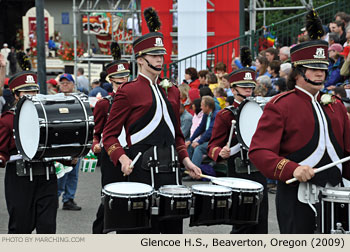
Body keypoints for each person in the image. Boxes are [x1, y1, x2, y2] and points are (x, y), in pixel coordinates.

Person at [102, 7, 201, 234]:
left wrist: (186, 160)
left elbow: (177, 134)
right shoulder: (129, 91)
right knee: (139, 235)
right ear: (141, 59)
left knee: (171, 234)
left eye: (161, 54)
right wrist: (123, 158)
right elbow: (109, 136)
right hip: (140, 171)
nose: (160, 58)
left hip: (172, 173)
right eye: (154, 55)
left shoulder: (173, 91)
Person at [249, 13, 350, 233]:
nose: (320, 73)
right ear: (298, 72)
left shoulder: (336, 105)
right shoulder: (281, 105)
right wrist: (292, 169)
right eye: (313, 68)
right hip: (296, 200)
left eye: (322, 68)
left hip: (336, 197)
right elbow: (259, 151)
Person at [207, 67, 268, 234]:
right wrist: (220, 152)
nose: (248, 90)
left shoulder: (262, 112)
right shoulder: (225, 115)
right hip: (238, 172)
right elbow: (212, 146)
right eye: (243, 87)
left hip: (259, 170)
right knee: (242, 221)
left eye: (250, 86)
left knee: (261, 221)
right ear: (233, 90)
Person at [0, 71, 57, 233]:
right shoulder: (7, 120)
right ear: (16, 95)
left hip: (47, 177)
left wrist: (68, 158)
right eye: (27, 92)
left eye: (35, 91)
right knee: (20, 228)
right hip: (20, 179)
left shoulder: (48, 116)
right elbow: (2, 150)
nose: (32, 95)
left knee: (48, 228)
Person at [92, 59, 130, 234]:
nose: (123, 82)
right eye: (119, 80)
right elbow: (97, 132)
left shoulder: (135, 101)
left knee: (132, 198)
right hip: (111, 156)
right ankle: (100, 233)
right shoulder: (103, 104)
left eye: (126, 79)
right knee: (110, 198)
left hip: (132, 154)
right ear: (111, 81)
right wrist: (95, 144)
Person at [57, 73, 82, 211]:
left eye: (68, 82)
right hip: (59, 141)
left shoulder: (78, 100)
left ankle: (69, 199)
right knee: (60, 172)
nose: (65, 84)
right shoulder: (53, 100)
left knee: (73, 173)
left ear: (73, 85)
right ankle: (54, 197)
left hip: (75, 141)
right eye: (62, 82)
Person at [186, 95, 218, 168]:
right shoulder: (206, 114)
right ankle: (188, 168)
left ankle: (194, 171)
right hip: (207, 140)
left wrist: (199, 142)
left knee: (199, 148)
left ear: (207, 107)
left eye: (202, 106)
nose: (200, 108)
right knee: (190, 146)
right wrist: (190, 140)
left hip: (215, 141)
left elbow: (210, 131)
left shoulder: (216, 115)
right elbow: (200, 128)